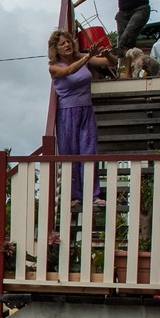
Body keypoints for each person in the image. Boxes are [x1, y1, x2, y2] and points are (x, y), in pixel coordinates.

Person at [48, 29, 113, 205]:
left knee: (89, 151)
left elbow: (109, 63)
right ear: (56, 49)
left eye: (68, 41)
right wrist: (86, 58)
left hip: (86, 110)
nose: (67, 45)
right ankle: (73, 196)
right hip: (67, 113)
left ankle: (93, 195)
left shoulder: (82, 57)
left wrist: (109, 55)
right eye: (62, 43)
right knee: (70, 153)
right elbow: (68, 71)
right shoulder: (54, 67)